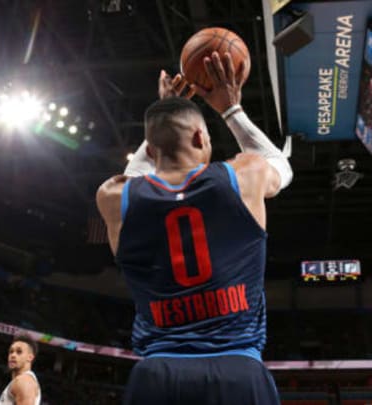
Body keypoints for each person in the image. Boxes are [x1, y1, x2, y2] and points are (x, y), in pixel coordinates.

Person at [96, 51, 292, 405]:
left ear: (152, 151)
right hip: (238, 369)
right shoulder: (242, 177)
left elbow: (140, 170)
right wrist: (231, 109)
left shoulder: (114, 196)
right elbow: (281, 163)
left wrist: (164, 112)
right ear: (202, 138)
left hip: (157, 374)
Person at [0, 335, 41, 405]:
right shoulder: (21, 380)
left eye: (19, 352)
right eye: (11, 351)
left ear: (30, 357)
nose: (13, 355)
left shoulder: (23, 381)